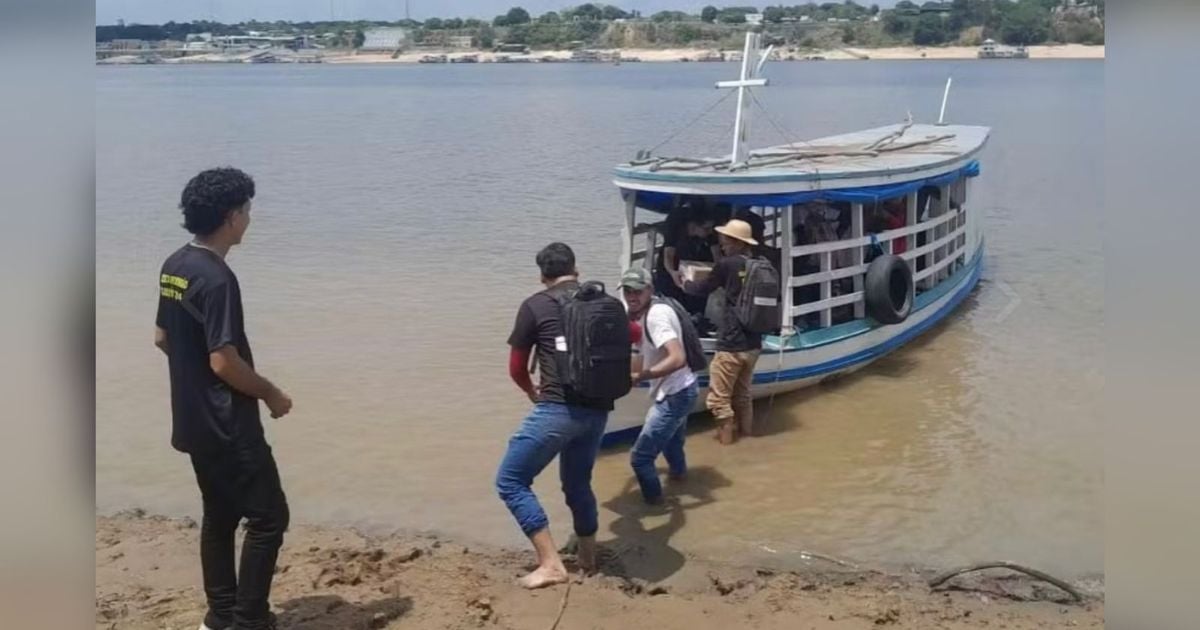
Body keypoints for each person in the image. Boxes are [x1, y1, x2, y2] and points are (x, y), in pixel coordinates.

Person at [155, 167, 292, 630]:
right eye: (248, 211)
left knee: (219, 514)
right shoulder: (217, 278)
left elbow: (161, 337)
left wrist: (192, 382)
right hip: (230, 425)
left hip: (192, 420)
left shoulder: (174, 265)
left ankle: (219, 617)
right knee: (269, 518)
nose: (250, 220)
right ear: (232, 216)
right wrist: (271, 392)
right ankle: (248, 620)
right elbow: (223, 361)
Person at [496, 243, 636, 589]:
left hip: (557, 409)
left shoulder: (535, 305)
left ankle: (550, 564)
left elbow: (516, 367)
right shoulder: (608, 303)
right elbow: (632, 334)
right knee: (577, 483)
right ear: (577, 269)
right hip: (598, 411)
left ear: (542, 275)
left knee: (511, 481)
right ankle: (587, 557)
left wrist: (532, 391)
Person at [677, 219, 763, 444]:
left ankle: (727, 446)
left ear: (736, 242)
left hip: (732, 344)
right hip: (754, 344)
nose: (721, 245)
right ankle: (747, 438)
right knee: (743, 395)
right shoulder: (759, 264)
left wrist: (684, 283)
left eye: (725, 241)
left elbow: (704, 288)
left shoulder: (727, 264)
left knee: (719, 401)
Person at [620, 267, 700, 505]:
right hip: (684, 387)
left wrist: (643, 375)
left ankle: (655, 505)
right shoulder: (653, 309)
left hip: (676, 394)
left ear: (650, 290)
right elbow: (640, 351)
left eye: (637, 291)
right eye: (627, 291)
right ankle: (680, 478)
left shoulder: (656, 317)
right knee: (673, 446)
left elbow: (677, 357)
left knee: (640, 458)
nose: (632, 296)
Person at [653, 205, 719, 315]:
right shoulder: (675, 227)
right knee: (672, 295)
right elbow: (668, 255)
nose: (710, 232)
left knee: (698, 296)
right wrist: (673, 272)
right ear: (694, 225)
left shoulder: (709, 233)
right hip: (672, 264)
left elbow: (716, 253)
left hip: (694, 260)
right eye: (706, 229)